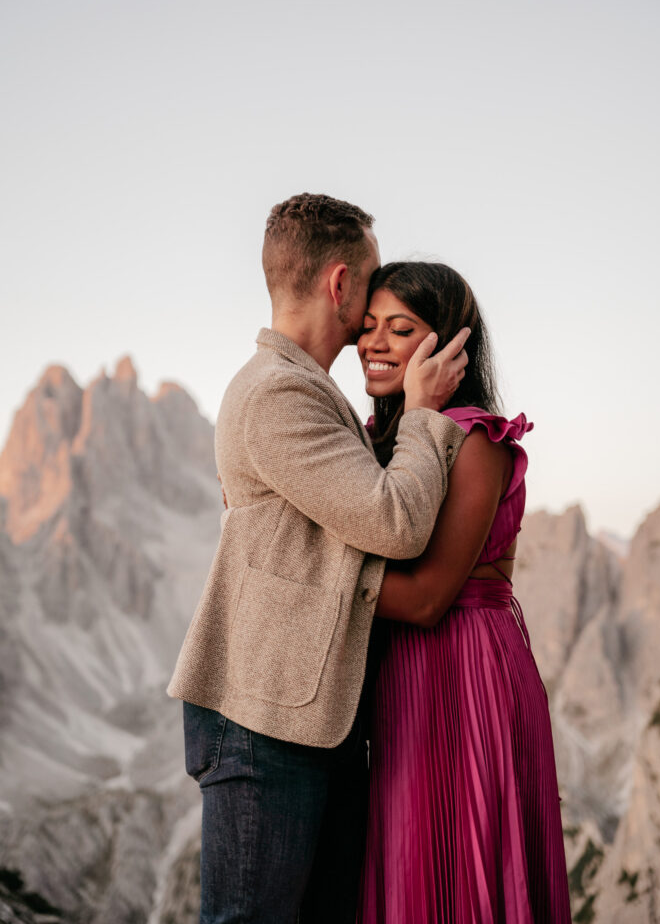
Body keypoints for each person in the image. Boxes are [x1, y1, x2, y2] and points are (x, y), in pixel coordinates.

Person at [167, 195, 471, 924]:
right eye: (369, 283)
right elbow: (394, 524)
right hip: (263, 719)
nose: (374, 305)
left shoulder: (307, 391)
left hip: (304, 713)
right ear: (340, 284)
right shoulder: (279, 394)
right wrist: (425, 416)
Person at [356, 261, 572, 923]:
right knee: (409, 854)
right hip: (401, 674)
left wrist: (304, 572)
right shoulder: (371, 442)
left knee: (460, 856)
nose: (376, 344)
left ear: (451, 344)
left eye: (400, 328)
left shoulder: (478, 439)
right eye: (367, 327)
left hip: (463, 668)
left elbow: (425, 599)